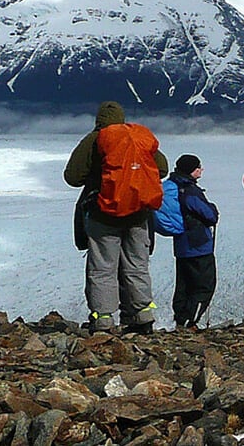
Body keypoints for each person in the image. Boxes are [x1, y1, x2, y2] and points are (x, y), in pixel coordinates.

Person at [63, 101, 168, 334]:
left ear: (98, 120)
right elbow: (162, 169)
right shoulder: (137, 138)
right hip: (138, 214)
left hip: (104, 214)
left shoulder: (94, 140)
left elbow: (72, 176)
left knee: (102, 268)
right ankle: (143, 314)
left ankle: (103, 319)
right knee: (137, 265)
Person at [152, 155, 219, 330]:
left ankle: (181, 320)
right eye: (198, 167)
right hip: (198, 245)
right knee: (204, 286)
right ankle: (191, 322)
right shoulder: (189, 190)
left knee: (184, 286)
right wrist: (213, 210)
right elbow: (209, 215)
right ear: (191, 170)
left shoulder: (171, 185)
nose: (201, 170)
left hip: (182, 246)